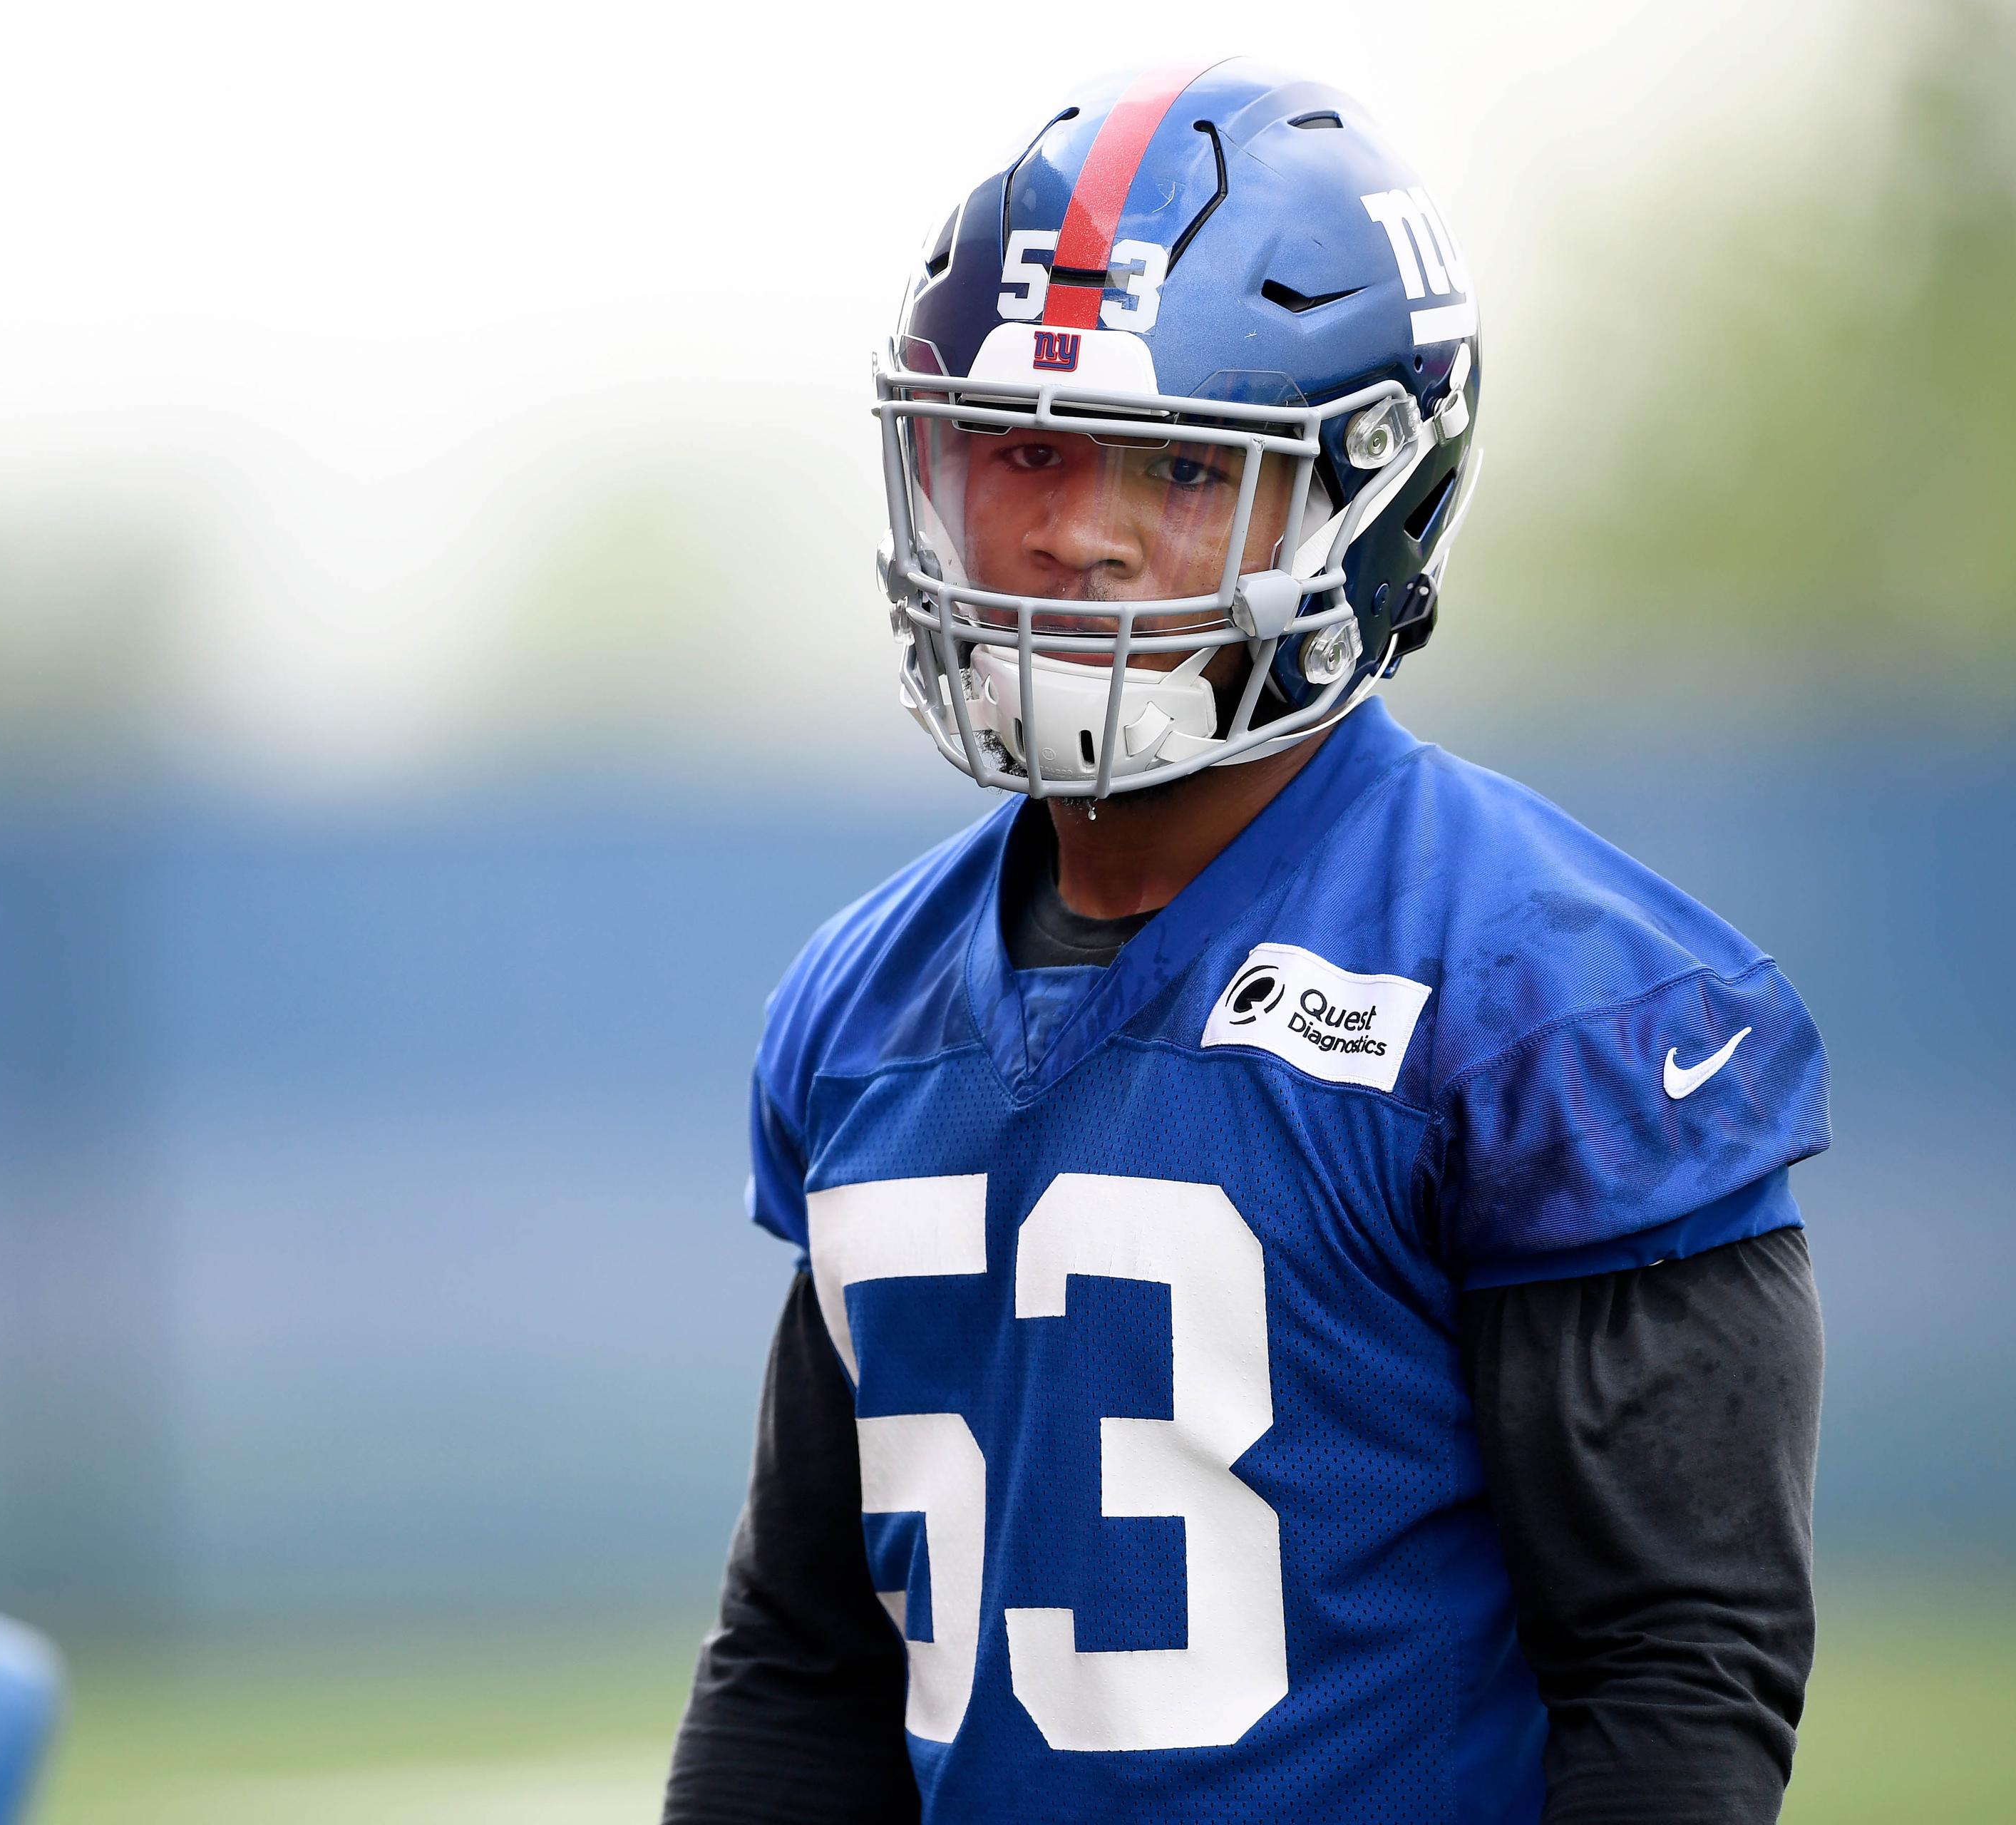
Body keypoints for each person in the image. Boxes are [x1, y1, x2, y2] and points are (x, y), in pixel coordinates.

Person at [663, 61, 1829, 1825]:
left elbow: (1677, 1676)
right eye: (1023, 446)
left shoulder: (1547, 1003)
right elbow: (804, 1660)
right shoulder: (862, 1012)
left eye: (1186, 464)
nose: (1075, 530)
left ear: (1366, 506)